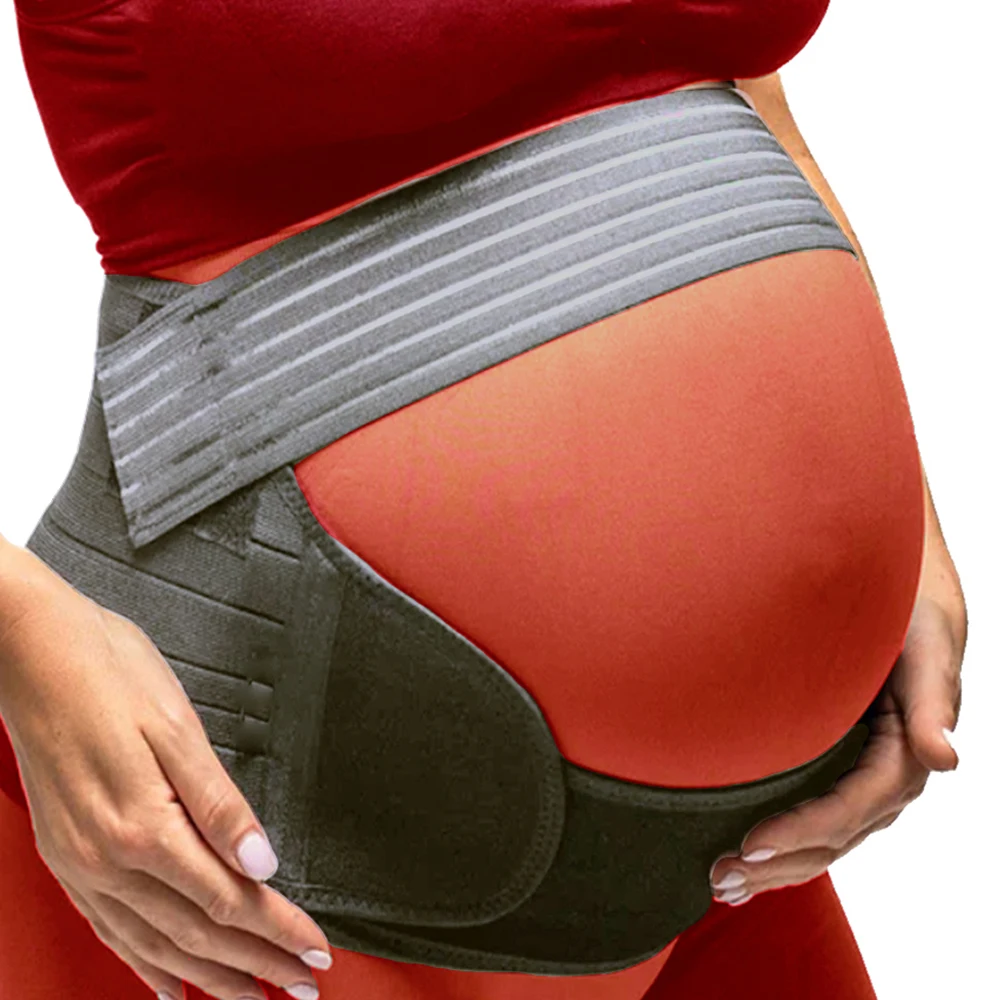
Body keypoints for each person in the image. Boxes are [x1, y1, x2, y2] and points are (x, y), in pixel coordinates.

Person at [0, 1, 967, 998]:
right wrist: (20, 634)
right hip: (275, 841)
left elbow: (724, 84)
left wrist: (909, 544)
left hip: (740, 846)